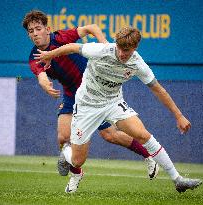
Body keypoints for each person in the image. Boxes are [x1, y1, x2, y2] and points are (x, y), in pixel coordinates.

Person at [34, 27, 203, 194]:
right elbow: (72, 47)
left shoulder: (137, 64)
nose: (122, 53)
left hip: (112, 103)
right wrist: (49, 55)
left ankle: (178, 180)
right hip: (86, 105)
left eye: (127, 50)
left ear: (135, 48)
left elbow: (158, 89)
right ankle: (66, 154)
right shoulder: (101, 50)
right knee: (77, 161)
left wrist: (179, 115)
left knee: (143, 134)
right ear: (116, 44)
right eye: (119, 48)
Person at [22, 10, 159, 179]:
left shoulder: (60, 38)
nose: (35, 33)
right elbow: (41, 76)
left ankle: (148, 155)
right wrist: (45, 85)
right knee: (63, 137)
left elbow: (92, 27)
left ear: (47, 29)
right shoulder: (34, 56)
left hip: (92, 91)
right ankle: (77, 173)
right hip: (71, 93)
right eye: (31, 31)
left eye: (38, 28)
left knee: (110, 135)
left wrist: (105, 47)